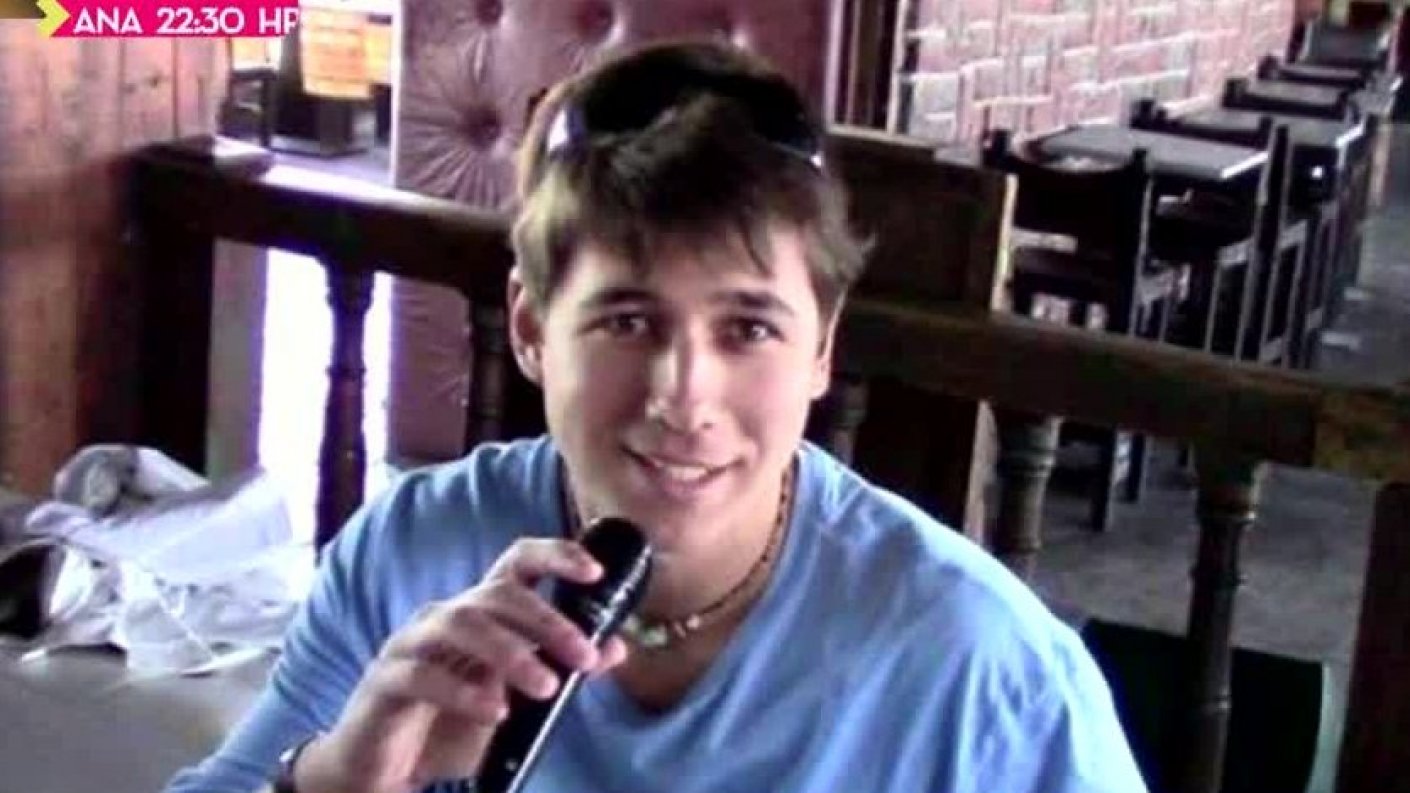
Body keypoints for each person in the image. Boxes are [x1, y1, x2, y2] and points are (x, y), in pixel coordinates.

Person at [164, 39, 1148, 793]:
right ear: (533, 327)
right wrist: (333, 778)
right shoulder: (411, 552)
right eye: (627, 320)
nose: (682, 395)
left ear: (822, 348)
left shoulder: (986, 673)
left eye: (748, 328)